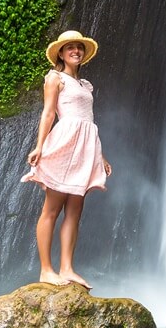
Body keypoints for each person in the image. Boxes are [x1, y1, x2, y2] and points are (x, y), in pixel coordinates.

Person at [21, 30, 111, 288]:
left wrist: (101, 156)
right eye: (69, 47)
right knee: (52, 208)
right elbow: (48, 114)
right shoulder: (55, 78)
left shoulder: (85, 85)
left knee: (75, 210)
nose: (75, 50)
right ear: (60, 53)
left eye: (79, 47)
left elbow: (88, 122)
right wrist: (39, 146)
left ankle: (67, 268)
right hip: (64, 143)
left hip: (86, 147)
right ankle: (46, 270)